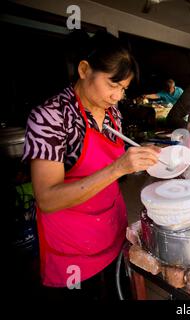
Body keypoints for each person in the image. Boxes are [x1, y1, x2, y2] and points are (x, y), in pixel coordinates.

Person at [22, 31, 160, 300]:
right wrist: (119, 168)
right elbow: (47, 199)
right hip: (72, 247)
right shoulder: (50, 117)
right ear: (84, 70)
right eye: (113, 85)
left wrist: (142, 159)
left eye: (123, 89)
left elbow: (112, 168)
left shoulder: (113, 114)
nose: (117, 96)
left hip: (111, 228)